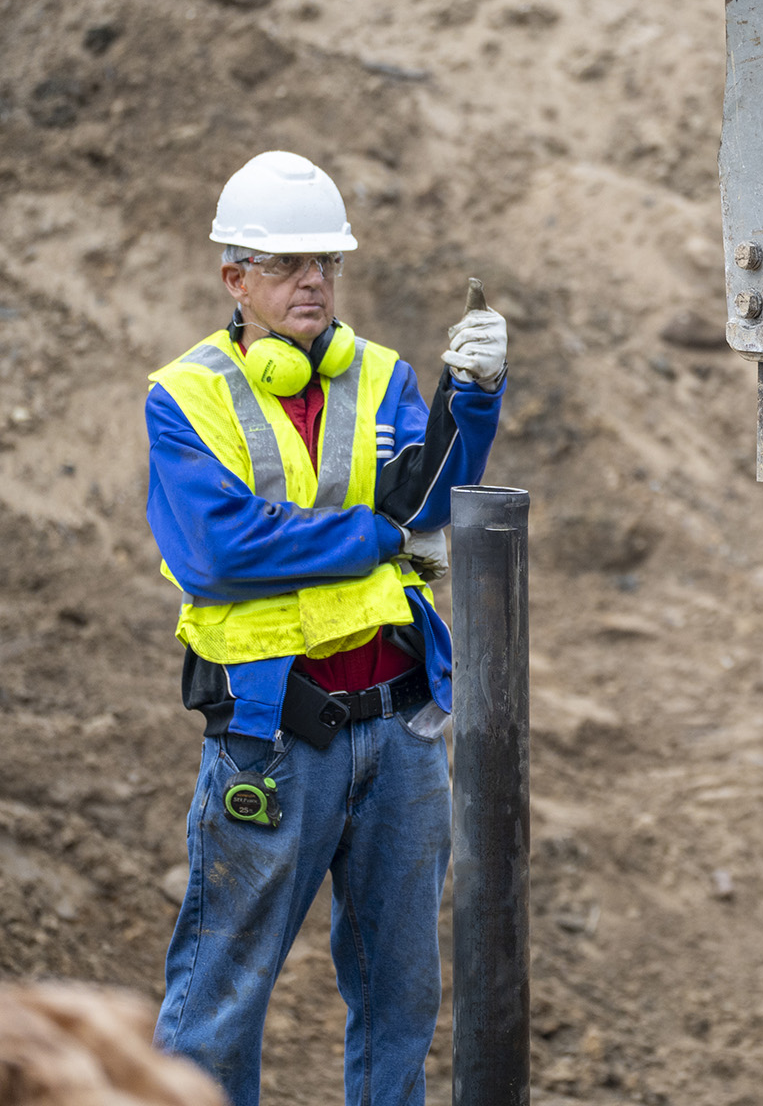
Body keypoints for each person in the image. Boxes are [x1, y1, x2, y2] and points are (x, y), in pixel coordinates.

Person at [142, 150, 507, 1106]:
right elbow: (220, 552)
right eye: (288, 264)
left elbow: (429, 508)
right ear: (237, 280)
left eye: (327, 264)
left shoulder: (381, 378)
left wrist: (471, 402)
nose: (313, 282)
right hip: (273, 739)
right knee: (220, 995)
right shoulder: (186, 396)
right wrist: (376, 535)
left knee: (400, 997)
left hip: (400, 730)